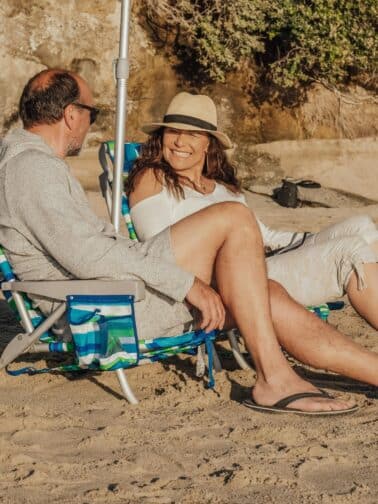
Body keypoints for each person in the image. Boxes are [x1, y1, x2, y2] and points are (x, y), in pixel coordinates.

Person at [0, 70, 370, 418]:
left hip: (116, 291)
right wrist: (186, 283)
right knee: (233, 217)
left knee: (267, 293)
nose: (90, 122)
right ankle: (274, 378)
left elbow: (89, 247)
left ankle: (317, 376)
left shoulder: (35, 165)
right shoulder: (32, 168)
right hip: (104, 309)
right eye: (92, 114)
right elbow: (88, 256)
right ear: (70, 115)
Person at [126, 91, 378, 331]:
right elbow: (159, 251)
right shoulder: (152, 178)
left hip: (264, 263)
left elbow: (265, 237)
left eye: (192, 134)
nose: (180, 141)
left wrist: (311, 241)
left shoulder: (223, 189)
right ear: (162, 136)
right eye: (173, 132)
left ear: (207, 144)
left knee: (361, 226)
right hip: (226, 284)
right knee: (348, 252)